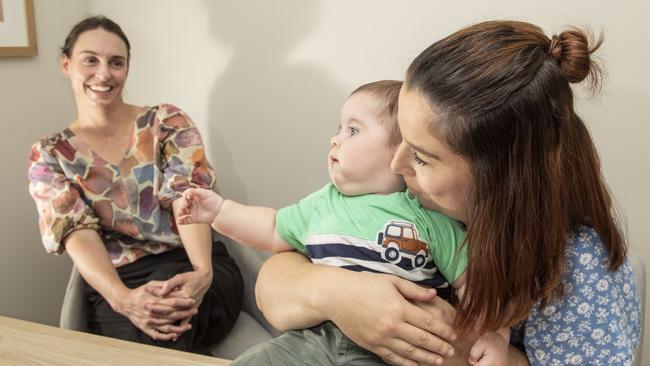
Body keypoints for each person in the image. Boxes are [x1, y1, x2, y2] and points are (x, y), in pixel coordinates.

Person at [252, 20, 642, 366]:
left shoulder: (579, 269)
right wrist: (340, 294)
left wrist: (457, 348)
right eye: (401, 139)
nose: (396, 166)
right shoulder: (411, 198)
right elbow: (274, 281)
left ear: (499, 179)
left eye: (421, 157)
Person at [178, 80, 510, 365]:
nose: (335, 140)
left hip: (397, 354)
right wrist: (219, 212)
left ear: (402, 150)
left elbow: (474, 284)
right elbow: (271, 227)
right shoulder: (324, 202)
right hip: (315, 338)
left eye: (353, 130)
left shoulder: (427, 215)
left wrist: (496, 338)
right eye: (338, 130)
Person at [27, 15, 243, 355]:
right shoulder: (51, 155)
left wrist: (203, 273)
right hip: (123, 280)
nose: (103, 73)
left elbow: (187, 198)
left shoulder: (166, 122)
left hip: (193, 259)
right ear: (66, 64)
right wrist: (123, 299)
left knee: (165, 323)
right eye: (90, 60)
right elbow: (76, 232)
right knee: (155, 331)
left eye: (116, 62)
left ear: (127, 68)